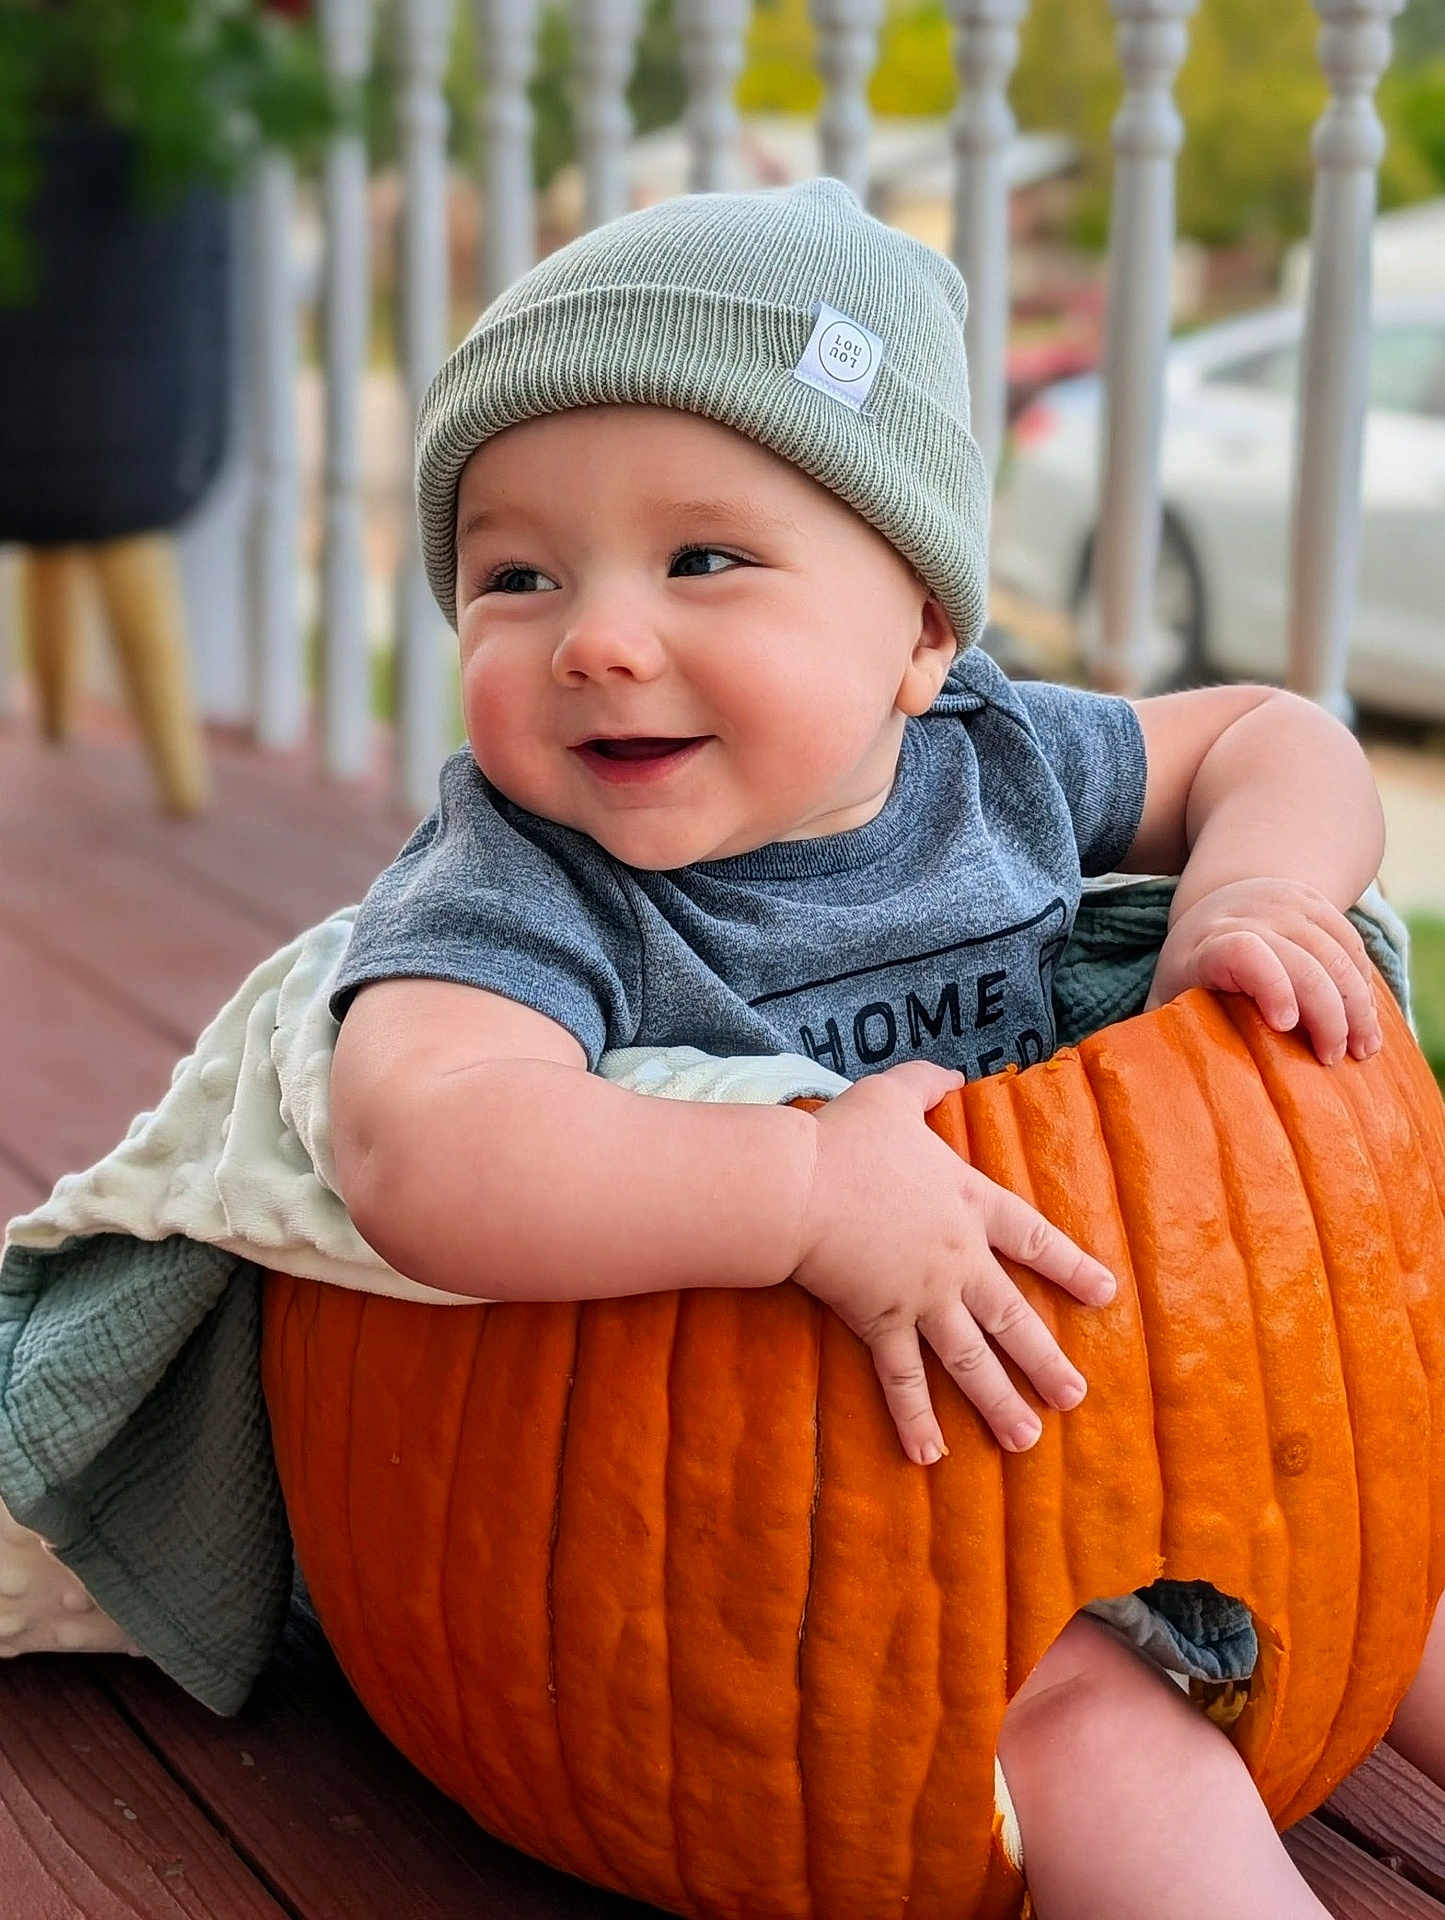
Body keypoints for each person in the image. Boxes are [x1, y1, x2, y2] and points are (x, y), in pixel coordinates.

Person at [326, 178, 1438, 1917]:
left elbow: (1272, 734)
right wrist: (797, 1187)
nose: (598, 637)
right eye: (514, 575)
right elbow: (419, 1142)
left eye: (703, 558)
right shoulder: (529, 886)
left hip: (1155, 1398)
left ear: (921, 629)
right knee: (1095, 1735)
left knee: (1402, 1561)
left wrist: (1252, 892)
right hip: (821, 1558)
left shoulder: (988, 764)